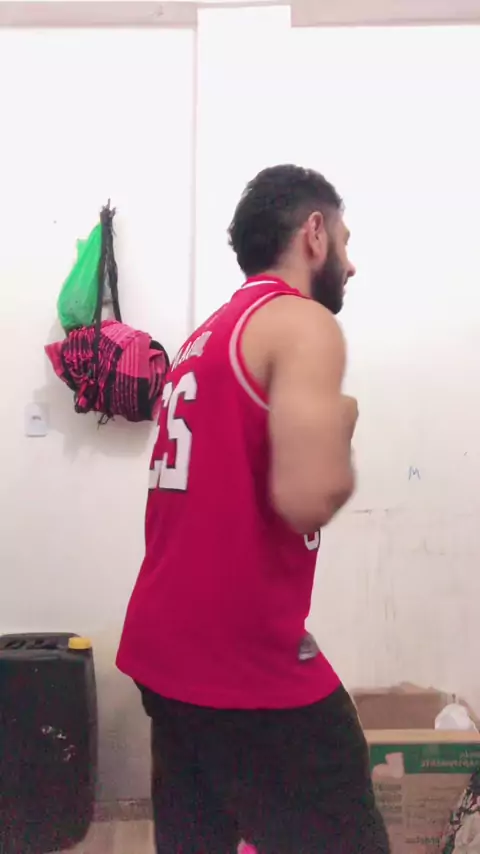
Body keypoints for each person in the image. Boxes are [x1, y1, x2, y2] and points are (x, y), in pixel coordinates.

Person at [117, 164, 390, 854]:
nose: (351, 265)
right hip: (241, 662)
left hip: (164, 651)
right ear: (315, 233)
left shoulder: (206, 335)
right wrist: (342, 422)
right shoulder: (301, 321)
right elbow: (307, 498)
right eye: (346, 242)